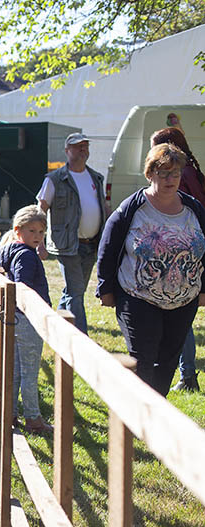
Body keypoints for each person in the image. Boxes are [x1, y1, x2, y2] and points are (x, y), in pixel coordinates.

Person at [96, 143, 205, 396]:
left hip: (183, 302)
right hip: (138, 299)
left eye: (175, 173)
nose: (170, 179)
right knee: (142, 361)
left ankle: (155, 417)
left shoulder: (194, 209)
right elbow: (108, 249)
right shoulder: (132, 208)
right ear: (150, 174)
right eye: (164, 173)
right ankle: (135, 418)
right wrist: (106, 289)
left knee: (167, 363)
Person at [150, 128, 205, 392]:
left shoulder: (181, 178)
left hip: (184, 250)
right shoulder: (193, 172)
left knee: (179, 312)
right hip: (192, 247)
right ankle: (187, 374)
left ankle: (187, 375)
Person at [36, 132, 108, 335]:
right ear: (67, 151)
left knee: (74, 291)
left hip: (91, 243)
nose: (83, 149)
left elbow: (103, 207)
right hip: (67, 244)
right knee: (76, 293)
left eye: (85, 146)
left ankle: (55, 326)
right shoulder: (55, 179)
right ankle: (81, 339)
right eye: (77, 146)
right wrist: (39, 242)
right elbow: (40, 209)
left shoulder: (96, 177)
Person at [0, 205, 54, 434]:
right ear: (18, 231)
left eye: (41, 232)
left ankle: (10, 412)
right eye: (32, 231)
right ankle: (33, 418)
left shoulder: (11, 249)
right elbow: (22, 285)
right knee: (29, 371)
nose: (37, 237)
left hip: (16, 318)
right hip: (28, 319)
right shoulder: (27, 256)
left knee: (16, 369)